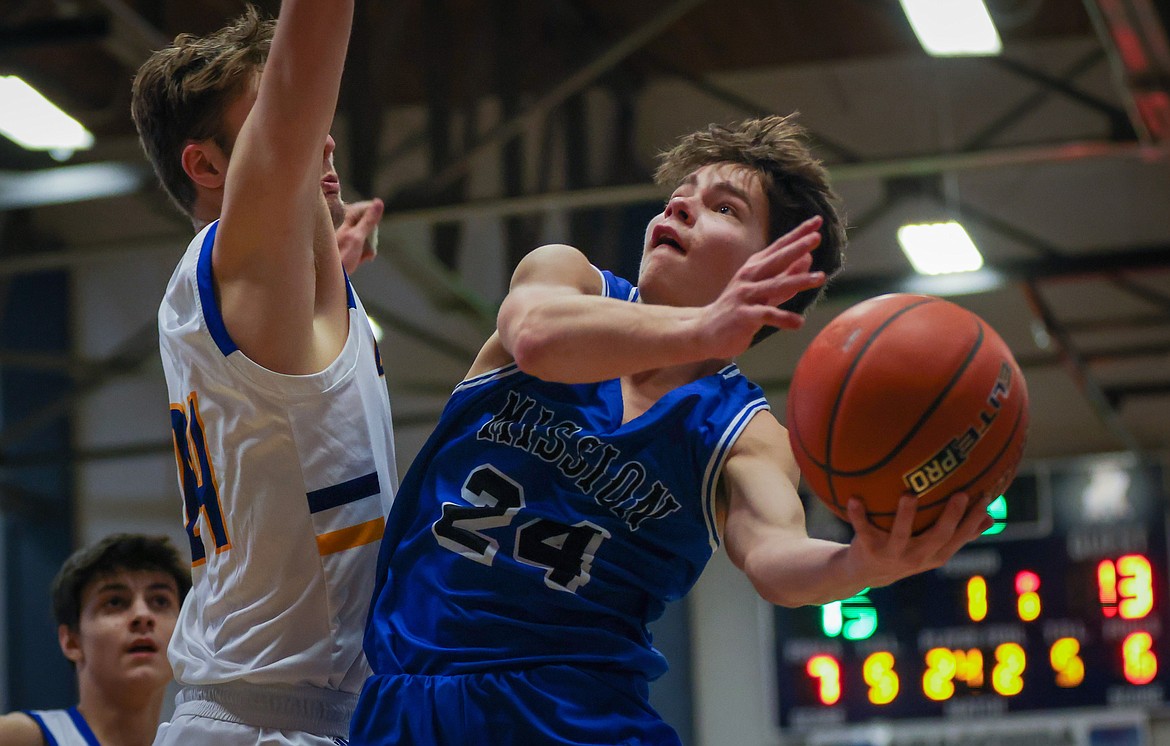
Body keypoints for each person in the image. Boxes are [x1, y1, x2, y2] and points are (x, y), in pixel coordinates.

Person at [350, 114, 995, 745]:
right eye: (678, 196)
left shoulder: (744, 432)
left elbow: (774, 559)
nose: (679, 209)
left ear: (775, 270)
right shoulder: (566, 276)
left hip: (575, 717)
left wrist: (860, 563)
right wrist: (703, 328)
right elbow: (537, 339)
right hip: (407, 699)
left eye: (724, 209)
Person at [129, 2, 396, 743]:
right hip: (264, 719)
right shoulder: (230, 264)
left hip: (289, 708)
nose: (322, 132)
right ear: (207, 164)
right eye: (282, 116)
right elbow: (310, 44)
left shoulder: (260, 303)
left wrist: (325, 272)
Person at [0, 533, 191, 746]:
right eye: (116, 602)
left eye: (160, 601)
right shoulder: (22, 737)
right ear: (71, 641)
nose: (143, 615)